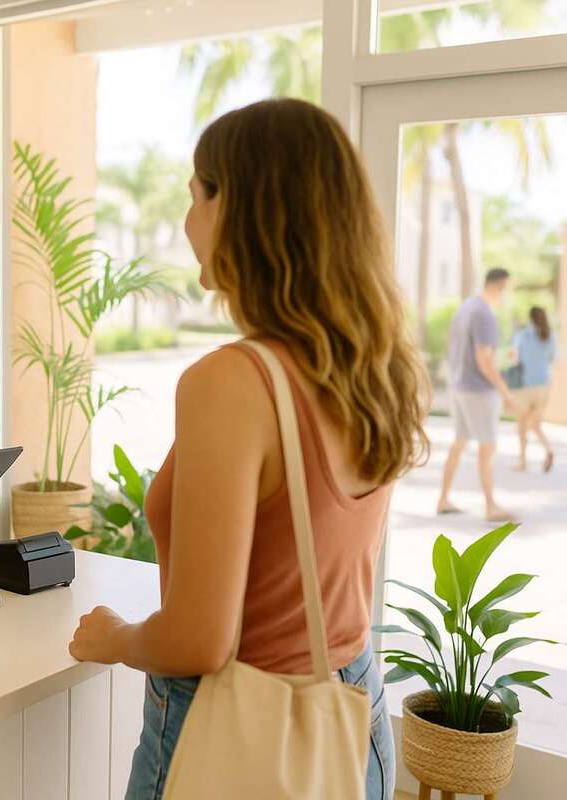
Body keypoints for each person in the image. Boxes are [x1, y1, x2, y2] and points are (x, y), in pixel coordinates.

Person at [67, 98, 429, 800]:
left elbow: (201, 642)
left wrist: (115, 636)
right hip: (351, 715)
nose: (186, 220)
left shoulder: (232, 381)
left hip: (240, 728)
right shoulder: (372, 367)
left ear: (241, 207)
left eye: (196, 192)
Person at [436, 268, 516, 521]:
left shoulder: (466, 308)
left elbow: (451, 344)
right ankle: (490, 505)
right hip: (478, 391)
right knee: (487, 446)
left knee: (459, 442)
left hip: (459, 385)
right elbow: (484, 359)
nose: (506, 296)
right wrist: (505, 392)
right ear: (499, 286)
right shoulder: (484, 314)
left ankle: (443, 498)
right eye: (507, 290)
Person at [511, 306, 556, 472]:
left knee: (522, 424)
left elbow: (514, 356)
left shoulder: (524, 334)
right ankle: (549, 450)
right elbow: (553, 358)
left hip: (526, 386)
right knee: (535, 424)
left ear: (530, 318)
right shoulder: (549, 336)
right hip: (544, 386)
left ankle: (523, 462)